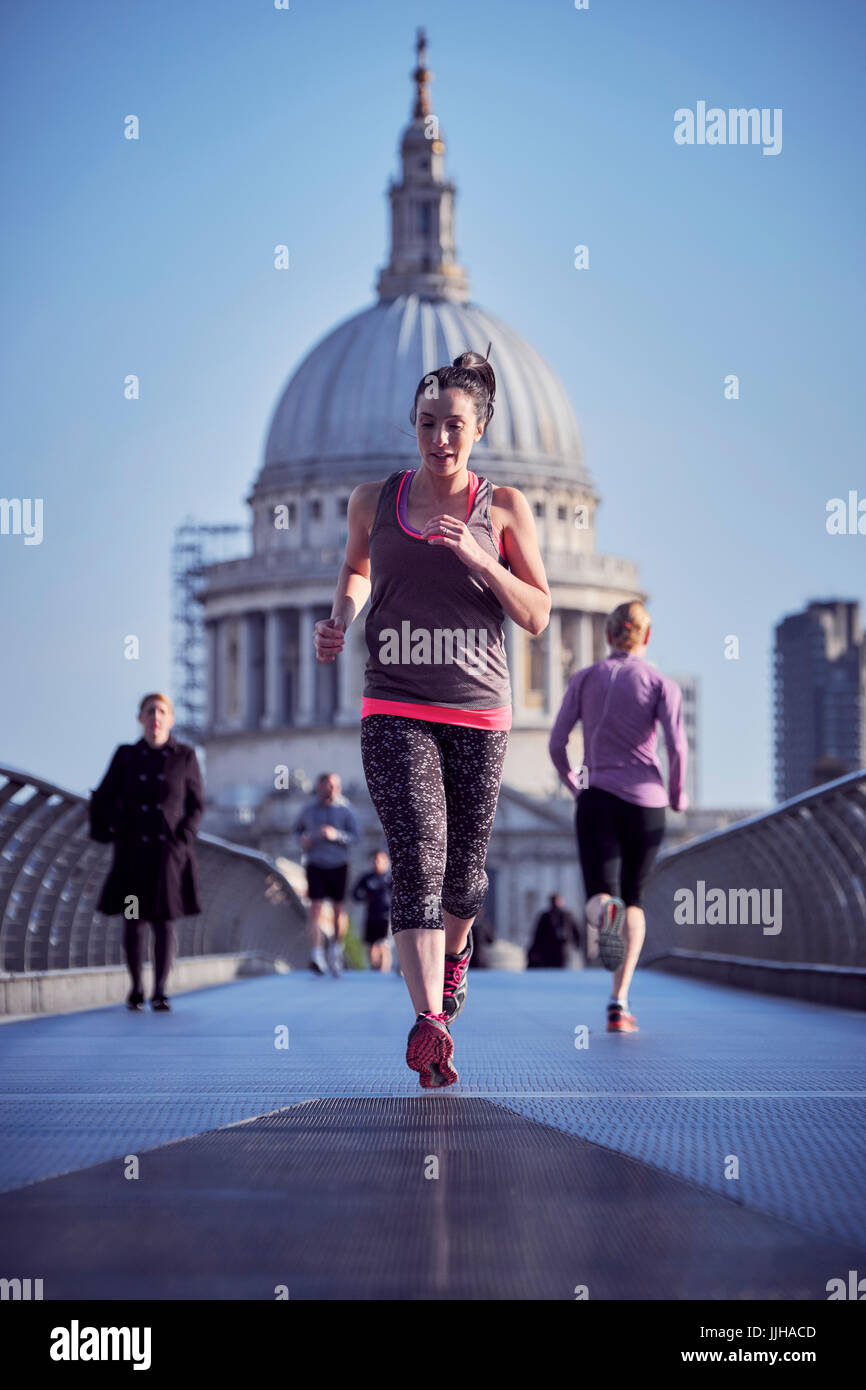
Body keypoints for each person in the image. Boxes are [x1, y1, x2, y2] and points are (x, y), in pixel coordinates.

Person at [313, 346, 550, 1087]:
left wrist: (485, 562)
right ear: (412, 426)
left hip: (479, 710)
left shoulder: (505, 508)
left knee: (464, 877)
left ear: (478, 428)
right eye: (426, 423)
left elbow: (540, 614)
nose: (438, 437)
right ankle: (429, 1023)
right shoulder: (371, 500)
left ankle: (454, 964)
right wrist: (340, 617)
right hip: (393, 703)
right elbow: (356, 568)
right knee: (416, 854)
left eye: (453, 424)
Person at [548, 602, 688, 1033]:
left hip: (598, 798)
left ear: (607, 636)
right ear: (645, 637)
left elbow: (557, 744)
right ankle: (619, 1001)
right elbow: (677, 747)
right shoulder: (662, 684)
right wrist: (677, 796)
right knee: (636, 900)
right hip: (648, 803)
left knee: (599, 895)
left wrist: (576, 786)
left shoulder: (585, 678)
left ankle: (604, 913)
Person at [88, 692, 204, 1012]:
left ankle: (161, 990)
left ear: (171, 718)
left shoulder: (185, 756)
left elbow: (196, 805)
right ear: (140, 718)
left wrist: (182, 840)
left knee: (164, 922)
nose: (156, 717)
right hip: (132, 853)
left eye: (162, 711)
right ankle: (137, 986)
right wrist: (112, 830)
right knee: (134, 919)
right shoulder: (126, 755)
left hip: (168, 854)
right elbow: (104, 795)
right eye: (150, 711)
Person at [292, 772, 360, 976]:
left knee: (339, 910)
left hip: (338, 864)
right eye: (326, 786)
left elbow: (356, 838)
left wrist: (335, 835)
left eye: (333, 786)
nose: (330, 789)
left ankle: (335, 949)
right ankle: (316, 954)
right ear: (318, 787)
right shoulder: (308, 810)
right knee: (315, 908)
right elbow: (296, 831)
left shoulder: (346, 810)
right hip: (315, 863)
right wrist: (303, 840)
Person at [351, 850, 394, 972]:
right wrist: (364, 897)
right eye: (375, 860)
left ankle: (385, 970)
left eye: (380, 860)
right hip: (371, 916)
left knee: (384, 944)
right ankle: (374, 969)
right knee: (371, 945)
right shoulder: (367, 878)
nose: (377, 863)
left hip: (386, 917)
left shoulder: (390, 879)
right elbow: (355, 894)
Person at [527, 892, 581, 969]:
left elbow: (576, 930)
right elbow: (538, 934)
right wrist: (534, 949)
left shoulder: (567, 915)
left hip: (563, 949)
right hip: (548, 950)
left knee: (562, 969)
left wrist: (577, 944)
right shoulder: (545, 916)